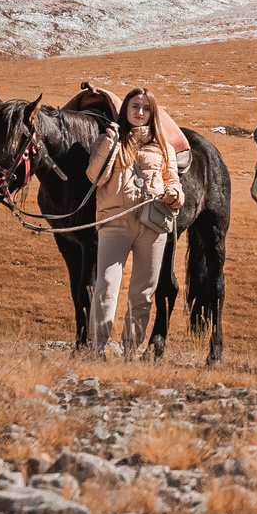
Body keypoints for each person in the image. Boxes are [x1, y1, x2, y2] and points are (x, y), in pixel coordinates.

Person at [85, 87, 183, 358]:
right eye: (135, 107)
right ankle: (98, 347)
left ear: (152, 113)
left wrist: (174, 193)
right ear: (125, 110)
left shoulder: (164, 147)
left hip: (152, 226)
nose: (140, 112)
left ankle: (130, 351)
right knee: (106, 284)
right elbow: (94, 176)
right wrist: (109, 142)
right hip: (114, 223)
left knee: (143, 292)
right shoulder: (109, 139)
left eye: (145, 108)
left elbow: (173, 181)